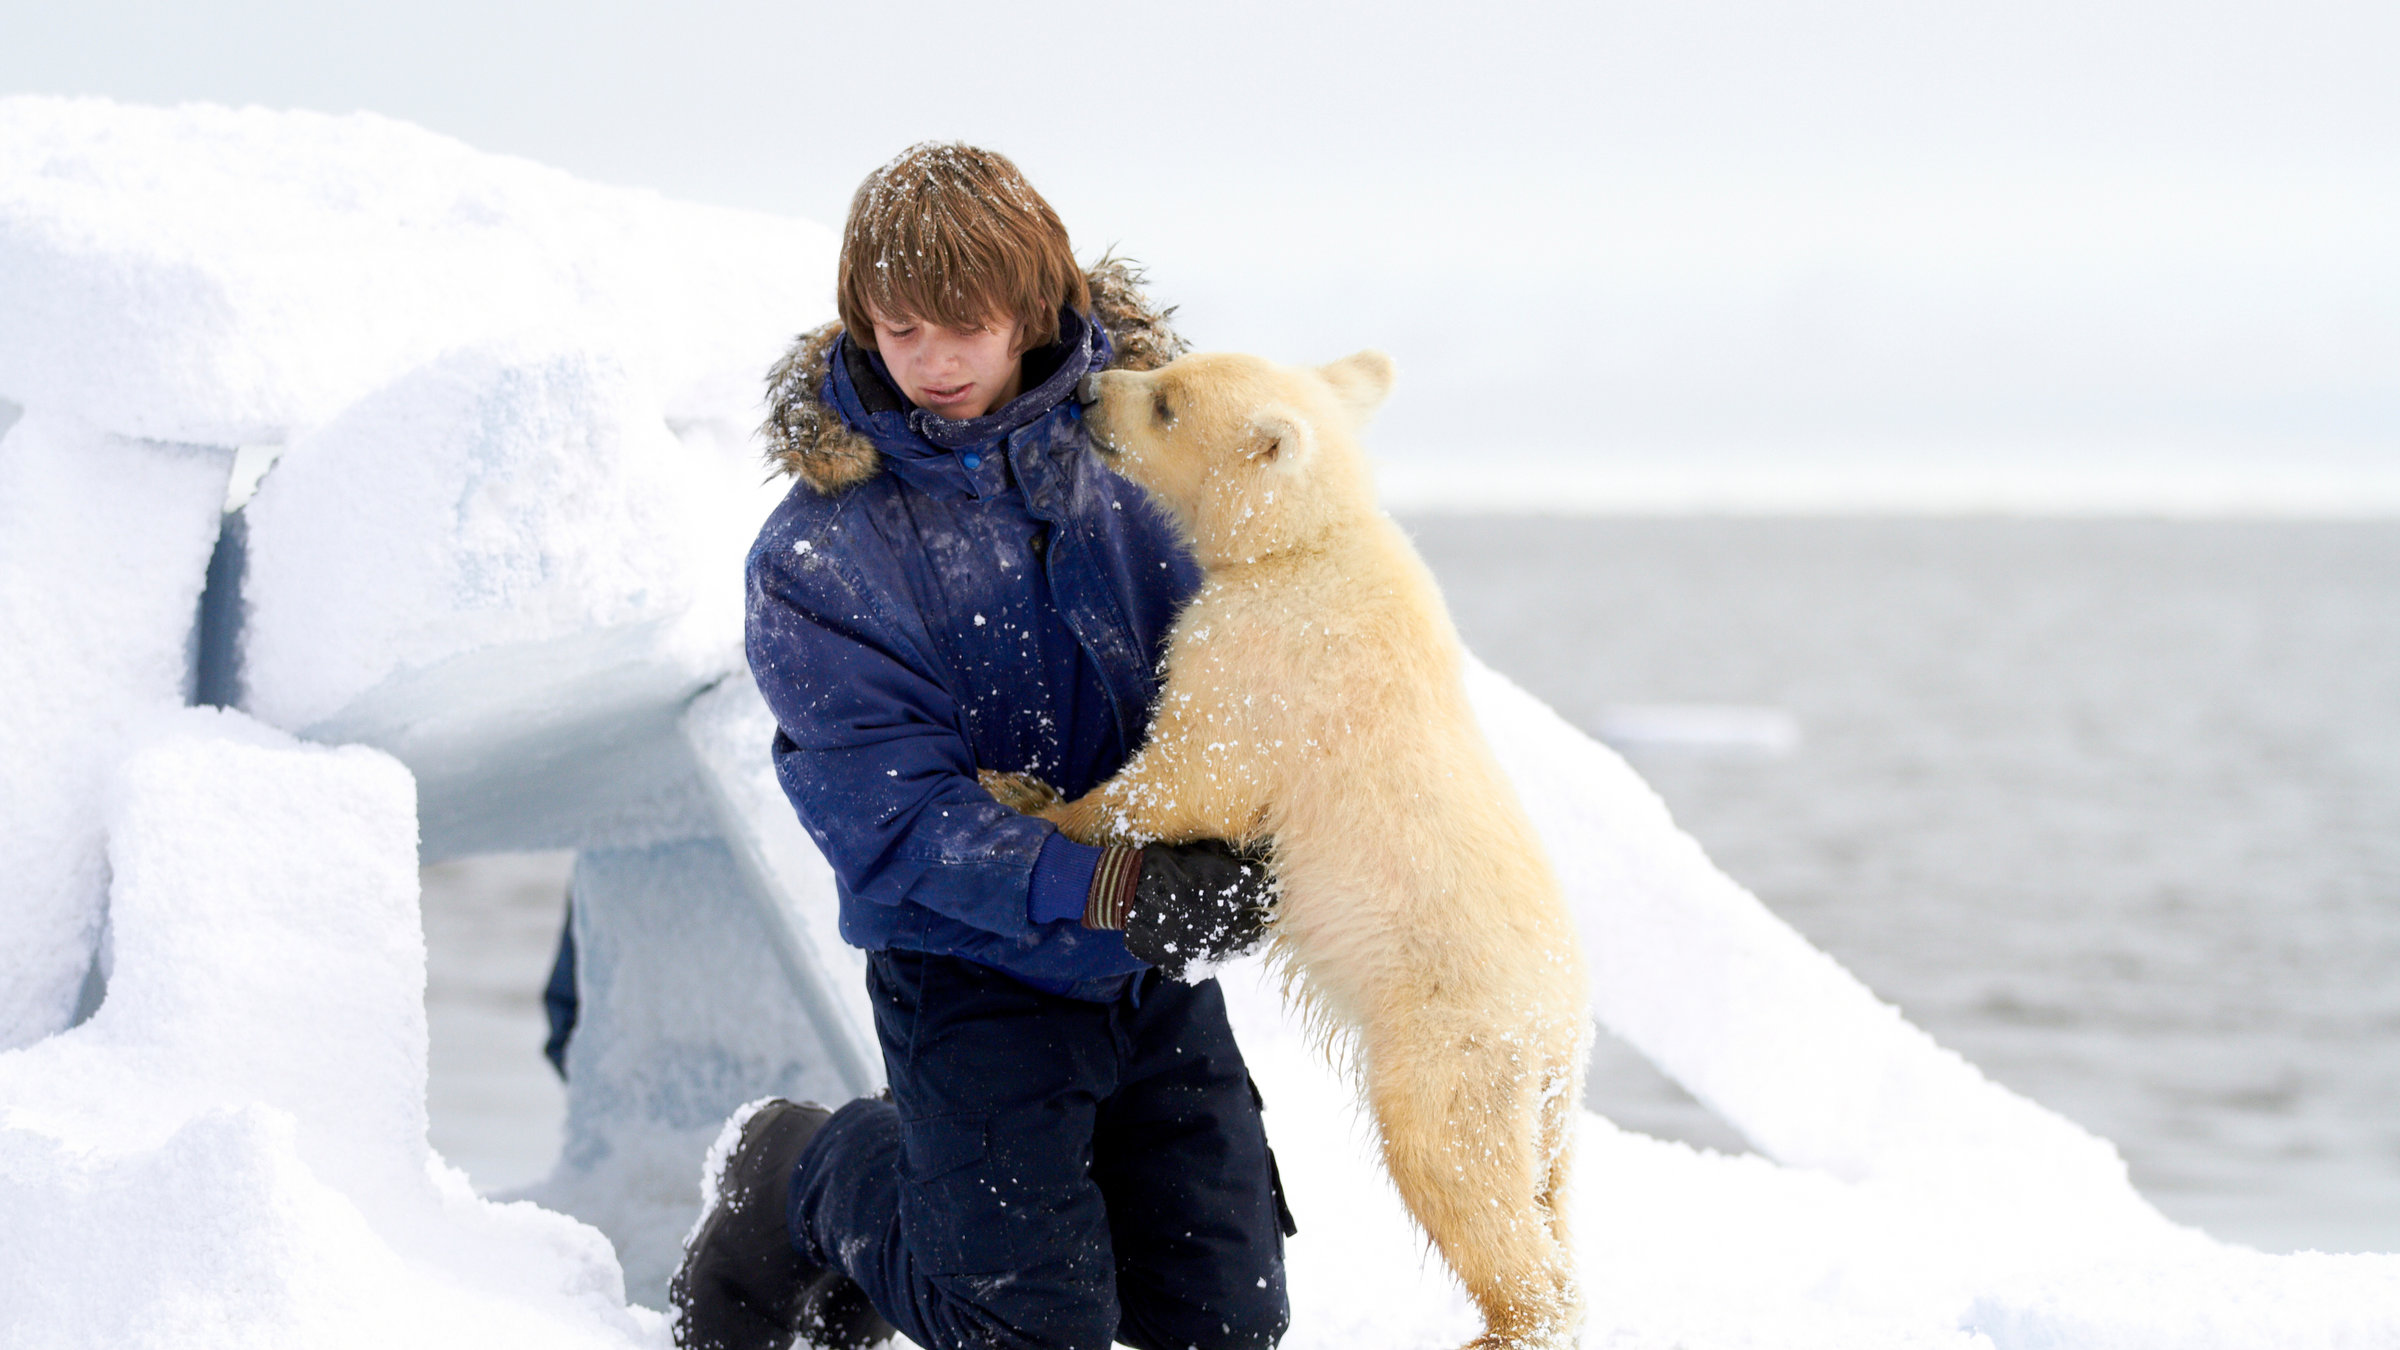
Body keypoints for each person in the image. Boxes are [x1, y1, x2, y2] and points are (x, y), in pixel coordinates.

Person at [669, 143, 1295, 1350]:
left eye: (967, 326)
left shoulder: (1154, 472)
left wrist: (1265, 841)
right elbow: (890, 823)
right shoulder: (818, 559)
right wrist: (1114, 880)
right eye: (901, 329)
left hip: (1146, 969)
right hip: (969, 967)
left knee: (1226, 1324)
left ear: (1038, 310)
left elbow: (1256, 658)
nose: (934, 364)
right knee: (1027, 1332)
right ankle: (810, 1166)